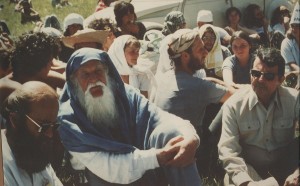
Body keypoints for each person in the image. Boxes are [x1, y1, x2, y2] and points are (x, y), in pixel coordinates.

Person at [58, 47, 202, 186]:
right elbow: (109, 168)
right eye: (85, 75)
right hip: (105, 178)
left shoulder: (126, 95)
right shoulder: (68, 119)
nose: (94, 79)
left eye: (98, 71)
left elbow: (163, 117)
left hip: (142, 166)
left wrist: (191, 137)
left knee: (173, 134)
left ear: (107, 72)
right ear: (74, 81)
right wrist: (157, 157)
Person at [152, 28, 235, 177]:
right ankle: (211, 167)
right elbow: (235, 96)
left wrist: (213, 80)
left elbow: (203, 82)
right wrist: (233, 85)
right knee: (228, 107)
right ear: (185, 56)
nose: (205, 52)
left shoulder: (164, 77)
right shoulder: (199, 87)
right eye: (200, 49)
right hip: (188, 151)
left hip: (162, 148)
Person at [218, 47, 299, 186]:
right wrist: (246, 183)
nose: (260, 80)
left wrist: (297, 173)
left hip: (285, 169)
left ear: (281, 79)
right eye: (256, 73)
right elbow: (228, 150)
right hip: (248, 170)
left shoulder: (294, 100)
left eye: (268, 76)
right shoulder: (233, 105)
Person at [0, 81, 62, 185]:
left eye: (54, 126)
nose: (50, 134)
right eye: (44, 126)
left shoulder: (33, 152)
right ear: (15, 120)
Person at [0, 32, 65, 106]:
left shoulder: (38, 76)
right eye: (50, 62)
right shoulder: (10, 88)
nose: (50, 66)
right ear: (45, 65)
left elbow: (70, 83)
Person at [281, 2, 300, 72]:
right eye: (292, 26)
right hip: (292, 76)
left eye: (298, 26)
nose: (294, 29)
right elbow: (292, 65)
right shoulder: (286, 43)